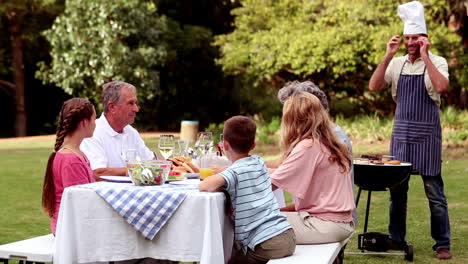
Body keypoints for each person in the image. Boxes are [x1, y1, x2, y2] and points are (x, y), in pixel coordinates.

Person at [368, 1, 451, 259]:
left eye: (416, 37)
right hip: (402, 137)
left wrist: (425, 57)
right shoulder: (397, 63)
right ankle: (396, 238)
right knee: (397, 194)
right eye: (407, 38)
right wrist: (388, 54)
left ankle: (442, 243)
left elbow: (441, 88)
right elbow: (374, 86)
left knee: (434, 194)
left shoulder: (438, 61)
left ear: (426, 39)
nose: (411, 42)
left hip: (427, 137)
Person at [199, 116, 296, 264]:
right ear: (253, 145)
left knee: (231, 260)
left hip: (266, 244)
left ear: (224, 145)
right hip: (287, 235)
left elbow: (205, 185)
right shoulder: (259, 163)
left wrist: (220, 179)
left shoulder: (234, 172)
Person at [270, 92, 355, 244]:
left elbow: (271, 184)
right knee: (267, 217)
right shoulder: (328, 144)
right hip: (339, 223)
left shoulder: (308, 146)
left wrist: (233, 184)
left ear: (292, 120)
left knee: (252, 225)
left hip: (324, 225)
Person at [42, 98, 96, 234]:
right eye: (94, 120)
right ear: (85, 122)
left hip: (73, 227)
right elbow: (81, 204)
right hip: (69, 232)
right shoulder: (71, 159)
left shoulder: (77, 153)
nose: (95, 124)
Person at [81, 81, 155, 180]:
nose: (136, 109)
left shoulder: (131, 131)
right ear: (112, 107)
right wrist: (136, 170)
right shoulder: (92, 132)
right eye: (130, 103)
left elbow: (151, 161)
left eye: (135, 103)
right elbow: (98, 173)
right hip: (104, 194)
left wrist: (171, 163)